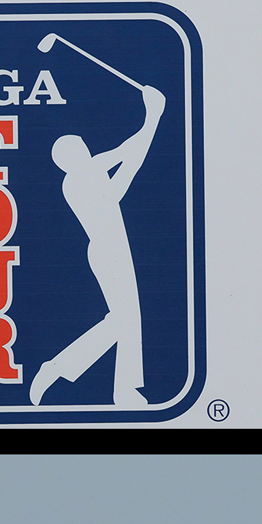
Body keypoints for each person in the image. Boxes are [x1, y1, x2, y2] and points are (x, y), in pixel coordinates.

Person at [32, 80, 164, 408]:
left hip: (114, 249)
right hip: (107, 251)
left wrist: (152, 119)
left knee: (128, 319)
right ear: (70, 158)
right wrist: (153, 116)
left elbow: (126, 158)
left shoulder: (89, 172)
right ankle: (58, 367)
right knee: (121, 320)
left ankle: (125, 391)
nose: (85, 148)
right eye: (78, 147)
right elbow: (123, 167)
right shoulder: (78, 179)